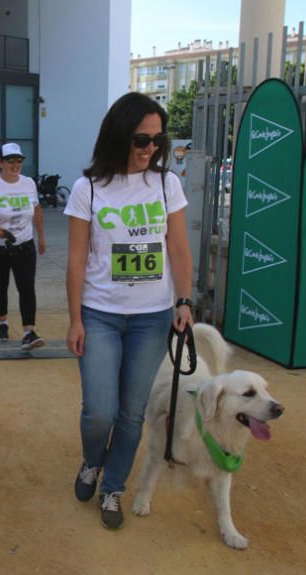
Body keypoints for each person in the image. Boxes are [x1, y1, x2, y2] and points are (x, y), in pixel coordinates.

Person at [63, 93, 195, 529]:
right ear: (119, 135)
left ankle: (114, 485)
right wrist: (76, 319)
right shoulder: (89, 189)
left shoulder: (165, 183)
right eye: (141, 139)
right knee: (99, 411)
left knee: (131, 413)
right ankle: (91, 462)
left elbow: (177, 247)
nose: (150, 149)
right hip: (99, 314)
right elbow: (78, 258)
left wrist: (185, 300)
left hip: (152, 318)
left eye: (158, 140)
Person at [0, 142, 47, 350]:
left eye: (18, 161)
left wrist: (41, 237)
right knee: (0, 285)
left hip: (24, 244)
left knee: (26, 286)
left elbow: (38, 211)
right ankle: (3, 322)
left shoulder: (28, 183)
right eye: (10, 161)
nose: (15, 165)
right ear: (0, 163)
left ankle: (29, 332)